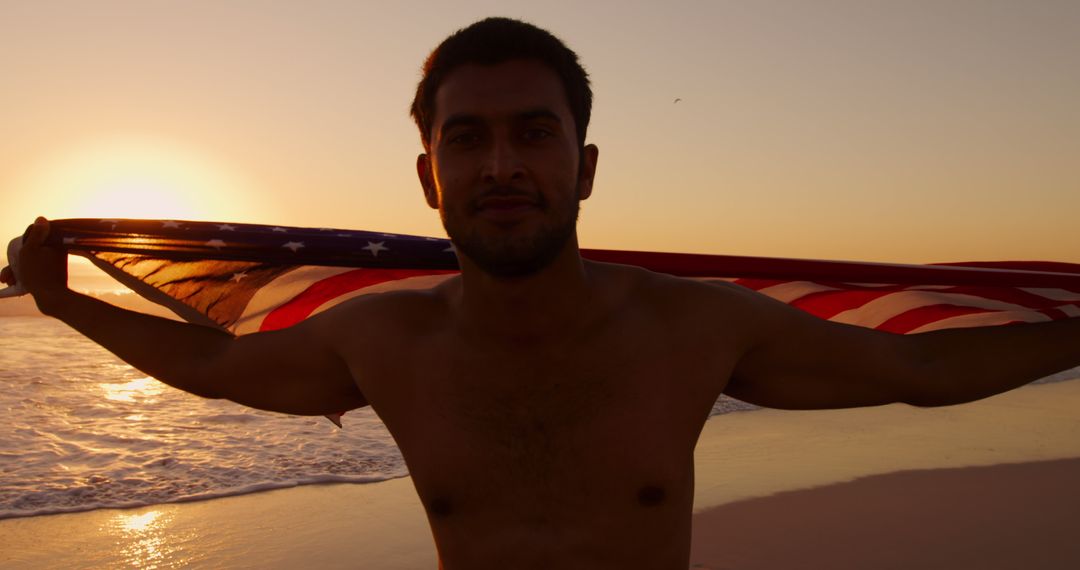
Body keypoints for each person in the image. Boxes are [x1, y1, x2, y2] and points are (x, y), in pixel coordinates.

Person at [3, 17, 1079, 570]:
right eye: (466, 140)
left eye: (534, 132)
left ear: (587, 165)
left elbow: (923, 367)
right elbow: (219, 367)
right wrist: (64, 303)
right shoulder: (386, 340)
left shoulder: (688, 330)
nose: (501, 165)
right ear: (429, 179)